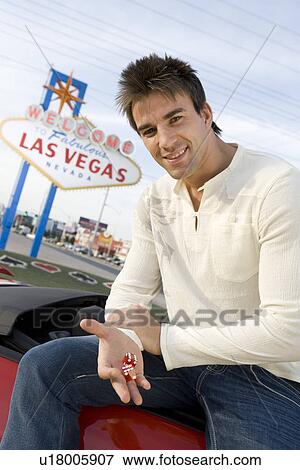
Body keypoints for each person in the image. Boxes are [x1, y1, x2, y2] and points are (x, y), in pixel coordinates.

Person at [1, 54, 300, 450]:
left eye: (176, 119)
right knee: (44, 367)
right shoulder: (154, 199)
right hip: (182, 366)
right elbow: (130, 290)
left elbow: (289, 332)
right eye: (149, 130)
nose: (166, 141)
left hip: (266, 375)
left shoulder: (277, 186)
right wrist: (122, 335)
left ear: (205, 113)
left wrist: (160, 338)